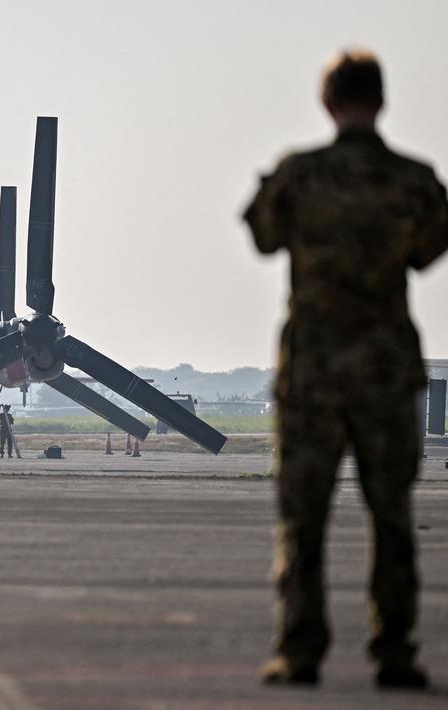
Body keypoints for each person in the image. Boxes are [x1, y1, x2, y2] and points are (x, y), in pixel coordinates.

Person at [244, 49, 447, 690]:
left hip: (313, 371)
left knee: (303, 515)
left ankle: (298, 649)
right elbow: (428, 250)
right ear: (381, 102)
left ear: (327, 103)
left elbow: (263, 235)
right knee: (390, 513)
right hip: (385, 369)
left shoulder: (299, 176)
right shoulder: (412, 180)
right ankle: (394, 651)